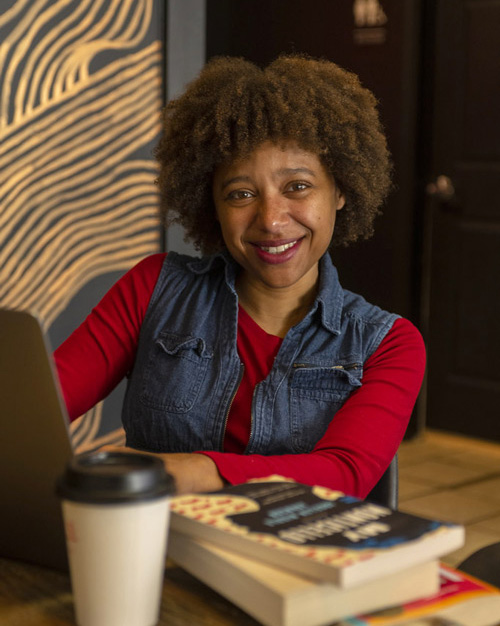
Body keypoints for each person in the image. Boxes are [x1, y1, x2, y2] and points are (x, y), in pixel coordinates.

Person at [54, 54, 425, 497]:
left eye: (297, 187)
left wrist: (173, 472)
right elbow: (38, 410)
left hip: (297, 559)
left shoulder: (389, 344)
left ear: (340, 189)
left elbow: (342, 476)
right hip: (152, 549)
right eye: (241, 193)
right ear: (212, 204)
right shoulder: (152, 289)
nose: (270, 220)